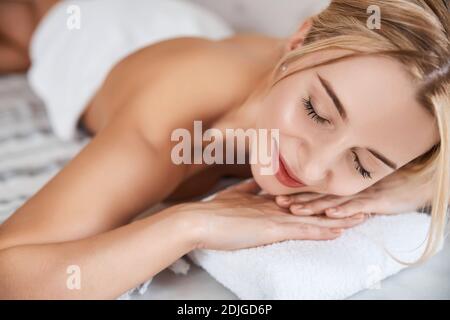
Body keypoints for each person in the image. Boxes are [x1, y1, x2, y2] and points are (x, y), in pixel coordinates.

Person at [0, 0, 448, 299]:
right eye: (315, 112)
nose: (312, 168)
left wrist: (406, 190)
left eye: (363, 163)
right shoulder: (174, 123)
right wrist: (191, 223)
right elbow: (11, 272)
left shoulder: (396, 113)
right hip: (85, 22)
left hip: (187, 28)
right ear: (297, 43)